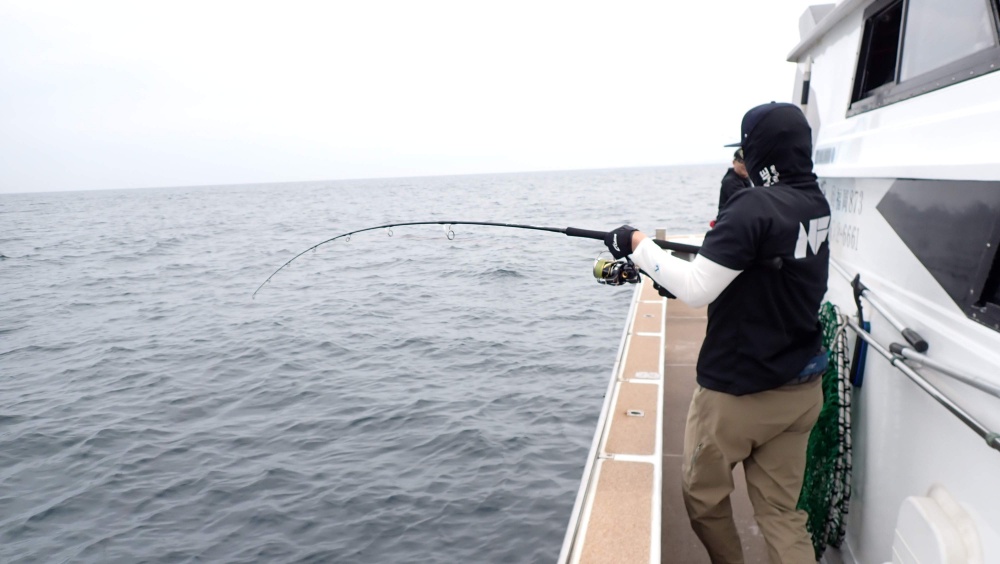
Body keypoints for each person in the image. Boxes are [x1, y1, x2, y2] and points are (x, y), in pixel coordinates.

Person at [603, 102, 831, 564]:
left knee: (703, 499)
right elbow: (764, 272)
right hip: (802, 389)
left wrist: (636, 244)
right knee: (781, 513)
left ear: (757, 150)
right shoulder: (815, 204)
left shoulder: (751, 205)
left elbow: (696, 289)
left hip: (737, 395)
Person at [716, 148, 752, 221]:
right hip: (729, 222)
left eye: (748, 161)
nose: (745, 165)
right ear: (734, 162)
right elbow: (745, 204)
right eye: (741, 161)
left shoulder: (744, 178)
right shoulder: (730, 182)